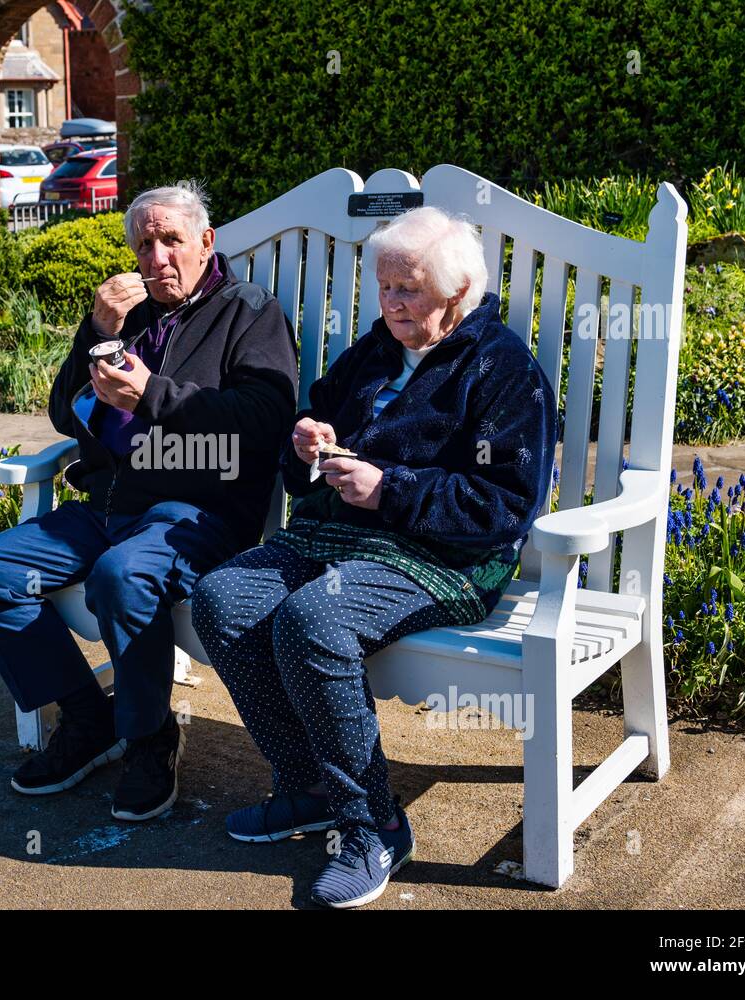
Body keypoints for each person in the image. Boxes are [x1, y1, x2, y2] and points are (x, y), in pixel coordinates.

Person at [190, 205, 558, 908]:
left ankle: (374, 825)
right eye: (384, 286)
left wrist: (390, 489)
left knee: (313, 621)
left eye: (408, 289)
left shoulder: (505, 372)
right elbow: (314, 427)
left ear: (457, 294)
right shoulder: (375, 349)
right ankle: (308, 787)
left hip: (441, 557)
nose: (391, 303)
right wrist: (305, 444)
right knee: (223, 595)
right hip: (338, 538)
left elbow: (501, 508)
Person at [0, 181, 297, 822]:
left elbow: (266, 417)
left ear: (206, 242)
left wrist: (152, 397)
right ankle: (89, 721)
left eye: (171, 241)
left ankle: (148, 735)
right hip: (107, 504)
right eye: (144, 245)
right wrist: (95, 327)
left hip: (195, 509)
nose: (157, 258)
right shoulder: (128, 313)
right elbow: (63, 413)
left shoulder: (250, 313)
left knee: (120, 576)